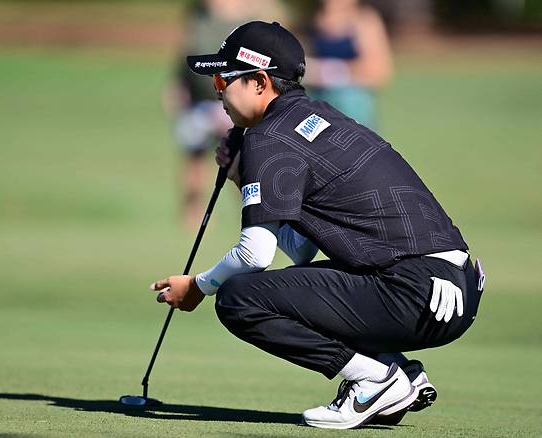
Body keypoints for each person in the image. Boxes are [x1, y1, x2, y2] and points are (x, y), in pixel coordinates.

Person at [151, 21, 484, 429]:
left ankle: (376, 379)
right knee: (290, 286)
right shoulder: (313, 117)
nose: (216, 91)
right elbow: (302, 249)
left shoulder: (269, 138)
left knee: (239, 299)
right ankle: (394, 372)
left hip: (419, 291)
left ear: (259, 82)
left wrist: (198, 286)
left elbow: (254, 255)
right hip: (447, 287)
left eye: (223, 79)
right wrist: (243, 178)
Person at [165, 0, 286, 229]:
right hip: (200, 102)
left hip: (237, 103)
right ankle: (192, 213)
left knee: (242, 157)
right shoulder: (199, 16)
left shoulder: (253, 13)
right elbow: (186, 53)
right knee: (194, 157)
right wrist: (178, 86)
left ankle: (255, 210)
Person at [302, 0, 393, 130]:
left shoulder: (365, 20)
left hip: (352, 104)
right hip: (318, 102)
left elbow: (380, 72)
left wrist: (335, 71)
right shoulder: (315, 19)